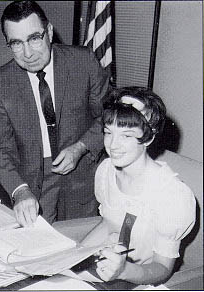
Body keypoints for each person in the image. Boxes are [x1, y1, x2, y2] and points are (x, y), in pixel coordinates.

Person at [0, 0, 109, 225]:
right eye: (16, 43)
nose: (28, 53)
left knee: (82, 246)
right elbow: (0, 148)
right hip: (32, 183)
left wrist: (81, 147)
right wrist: (19, 190)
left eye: (34, 38)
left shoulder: (83, 62)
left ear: (49, 32)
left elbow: (109, 116)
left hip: (84, 178)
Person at [81, 87, 196, 285]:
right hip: (104, 273)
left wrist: (124, 270)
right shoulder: (106, 171)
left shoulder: (173, 195)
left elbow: (162, 269)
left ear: (149, 137)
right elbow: (108, 223)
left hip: (142, 281)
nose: (113, 145)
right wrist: (74, 258)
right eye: (109, 132)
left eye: (126, 135)